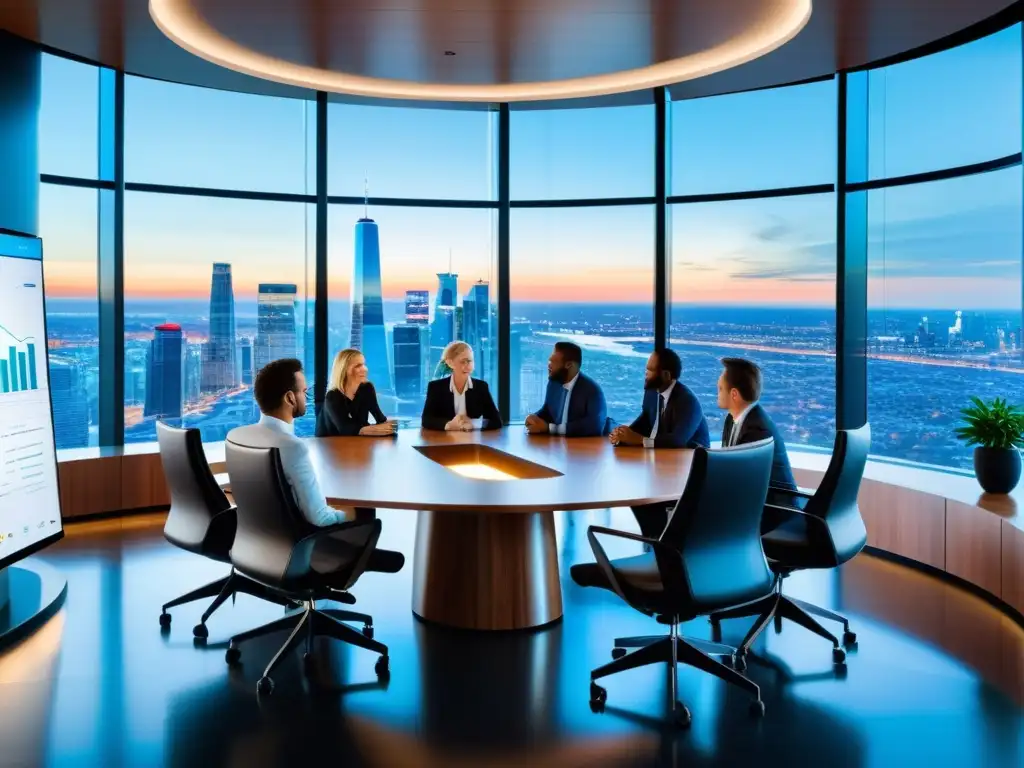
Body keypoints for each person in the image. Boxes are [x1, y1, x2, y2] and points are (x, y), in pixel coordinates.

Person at [235, 358, 403, 572]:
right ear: (289, 398)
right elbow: (320, 518)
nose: (307, 397)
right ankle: (353, 557)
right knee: (365, 510)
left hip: (255, 547)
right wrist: (357, 511)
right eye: (304, 392)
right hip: (299, 552)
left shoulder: (238, 436)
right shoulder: (293, 447)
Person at [611, 348, 710, 539]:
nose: (645, 374)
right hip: (662, 464)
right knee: (637, 493)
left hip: (688, 472)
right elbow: (645, 421)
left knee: (645, 498)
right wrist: (623, 434)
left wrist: (638, 440)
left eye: (649, 370)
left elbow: (677, 440)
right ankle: (656, 540)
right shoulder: (652, 393)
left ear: (665, 375)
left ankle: (663, 542)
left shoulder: (687, 401)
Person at [717, 357, 796, 491]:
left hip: (771, 508)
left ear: (734, 394)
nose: (717, 395)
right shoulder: (732, 419)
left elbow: (742, 480)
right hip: (751, 500)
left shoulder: (757, 430)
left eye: (720, 389)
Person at [525, 341, 608, 437]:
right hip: (556, 445)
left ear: (568, 365)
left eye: (553, 361)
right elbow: (548, 410)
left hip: (583, 447)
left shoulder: (592, 390)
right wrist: (533, 418)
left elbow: (595, 426)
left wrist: (550, 428)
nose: (549, 365)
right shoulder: (554, 383)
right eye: (549, 361)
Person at [421, 341, 502, 431]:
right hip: (444, 439)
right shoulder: (436, 387)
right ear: (450, 363)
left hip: (473, 440)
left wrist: (473, 423)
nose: (468, 366)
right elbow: (426, 420)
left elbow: (496, 421)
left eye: (470, 361)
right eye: (463, 362)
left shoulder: (481, 387)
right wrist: (449, 425)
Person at [316, 348, 397, 438]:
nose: (364, 369)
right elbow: (345, 429)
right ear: (344, 369)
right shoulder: (333, 396)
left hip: (358, 442)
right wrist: (379, 428)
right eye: (357, 366)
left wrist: (388, 426)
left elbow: (380, 418)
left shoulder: (367, 388)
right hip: (332, 444)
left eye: (363, 364)